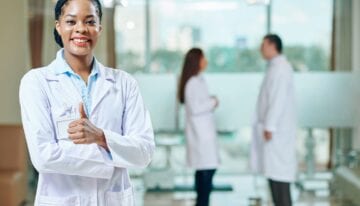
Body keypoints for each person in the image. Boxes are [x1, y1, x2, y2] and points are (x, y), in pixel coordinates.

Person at [19, 0, 155, 205]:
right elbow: (43, 156)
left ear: (99, 28)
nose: (81, 29)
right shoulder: (37, 82)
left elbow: (144, 152)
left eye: (90, 21)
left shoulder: (125, 83)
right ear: (58, 26)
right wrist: (113, 155)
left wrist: (101, 137)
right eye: (71, 21)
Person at [250, 34, 297, 206]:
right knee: (274, 178)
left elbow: (278, 100)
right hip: (273, 133)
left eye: (263, 45)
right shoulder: (274, 68)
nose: (261, 49)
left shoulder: (282, 69)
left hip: (278, 133)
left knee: (281, 181)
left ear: (272, 45)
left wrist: (270, 126)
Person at [178, 48, 220, 206]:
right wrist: (213, 102)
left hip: (204, 135)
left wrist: (209, 101)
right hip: (200, 136)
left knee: (205, 174)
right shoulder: (193, 83)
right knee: (205, 176)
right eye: (203, 58)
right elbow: (195, 108)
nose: (206, 61)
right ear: (197, 61)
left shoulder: (198, 80)